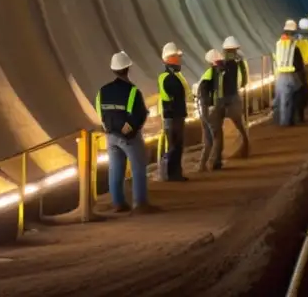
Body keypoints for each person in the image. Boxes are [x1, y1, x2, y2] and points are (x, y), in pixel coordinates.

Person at [95, 52, 152, 213]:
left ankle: (118, 203)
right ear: (128, 68)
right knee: (138, 168)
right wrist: (129, 130)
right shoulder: (133, 91)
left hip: (110, 135)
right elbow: (140, 114)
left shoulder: (102, 91)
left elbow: (100, 111)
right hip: (129, 137)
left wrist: (108, 128)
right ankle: (140, 204)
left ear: (113, 69)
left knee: (115, 169)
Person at [212, 36, 250, 164]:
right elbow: (244, 79)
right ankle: (244, 150)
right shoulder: (239, 62)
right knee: (240, 125)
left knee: (218, 130)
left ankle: (217, 158)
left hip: (220, 99)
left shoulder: (218, 62)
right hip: (233, 97)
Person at [156, 42, 189, 182]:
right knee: (174, 146)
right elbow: (177, 94)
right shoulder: (168, 78)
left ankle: (174, 174)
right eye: (176, 56)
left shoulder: (173, 75)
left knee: (176, 146)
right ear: (169, 58)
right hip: (173, 115)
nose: (179, 59)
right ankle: (170, 175)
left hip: (175, 115)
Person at [197, 49, 225, 172]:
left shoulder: (210, 73)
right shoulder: (215, 73)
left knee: (208, 140)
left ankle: (201, 165)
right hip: (210, 109)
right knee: (217, 137)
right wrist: (211, 106)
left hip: (204, 109)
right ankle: (213, 163)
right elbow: (205, 92)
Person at [274, 20, 306, 126]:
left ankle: (279, 121)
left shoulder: (278, 44)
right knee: (290, 101)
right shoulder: (294, 46)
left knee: (280, 100)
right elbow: (299, 64)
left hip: (279, 76)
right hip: (291, 75)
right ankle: (287, 122)